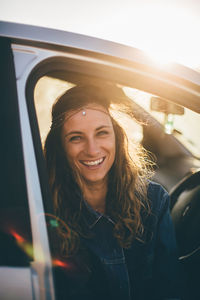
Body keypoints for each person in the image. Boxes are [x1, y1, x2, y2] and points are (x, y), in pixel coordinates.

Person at [44, 84, 181, 300]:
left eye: (102, 133)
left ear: (116, 137)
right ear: (60, 147)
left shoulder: (153, 201)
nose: (92, 149)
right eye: (76, 137)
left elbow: (169, 289)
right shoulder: (44, 208)